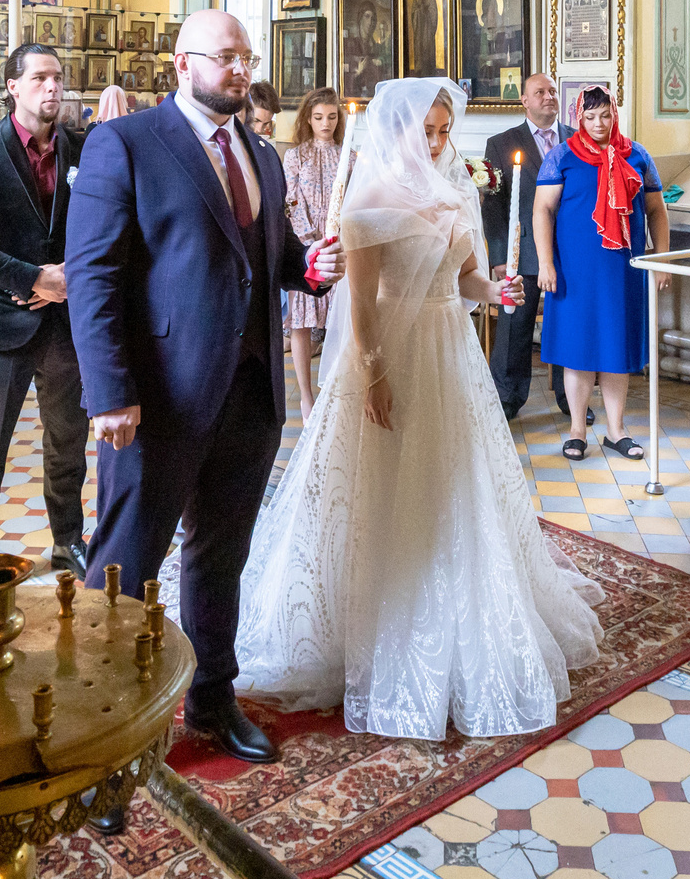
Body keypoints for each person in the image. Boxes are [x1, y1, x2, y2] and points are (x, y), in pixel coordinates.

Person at [236, 79, 600, 738]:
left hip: (449, 353)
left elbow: (464, 280)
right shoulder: (369, 201)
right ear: (396, 129)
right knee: (381, 491)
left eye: (443, 131)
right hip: (386, 359)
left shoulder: (450, 189)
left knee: (459, 491)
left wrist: (498, 288)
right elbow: (365, 305)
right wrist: (373, 375)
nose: (437, 143)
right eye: (425, 131)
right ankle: (363, 621)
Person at [65, 10, 343, 790]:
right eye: (225, 56)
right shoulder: (127, 143)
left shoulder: (261, 152)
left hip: (250, 394)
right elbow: (92, 276)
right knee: (124, 567)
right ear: (181, 61)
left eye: (246, 57)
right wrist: (111, 390)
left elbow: (275, 254)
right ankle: (101, 742)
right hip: (158, 400)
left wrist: (313, 266)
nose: (240, 69)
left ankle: (212, 702)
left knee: (220, 558)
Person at [0, 44, 90, 576]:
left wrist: (67, 280)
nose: (52, 88)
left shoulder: (83, 149)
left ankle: (68, 540)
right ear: (14, 86)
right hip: (3, 324)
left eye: (58, 78)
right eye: (40, 78)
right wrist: (34, 278)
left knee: (68, 442)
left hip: (66, 325)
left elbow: (101, 225)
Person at [533, 89, 669, 462]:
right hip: (573, 271)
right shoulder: (561, 156)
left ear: (614, 114)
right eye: (590, 117)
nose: (598, 124)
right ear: (579, 118)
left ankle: (616, 431)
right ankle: (577, 430)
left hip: (622, 269)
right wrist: (546, 263)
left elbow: (656, 211)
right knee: (577, 351)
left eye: (605, 116)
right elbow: (542, 210)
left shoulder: (637, 155)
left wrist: (660, 258)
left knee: (614, 348)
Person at [480, 73, 567, 419]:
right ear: (525, 101)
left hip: (566, 250)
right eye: (540, 92)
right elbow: (493, 205)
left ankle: (569, 396)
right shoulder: (501, 143)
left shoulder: (575, 140)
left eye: (552, 91)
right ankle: (507, 397)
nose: (548, 97)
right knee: (515, 326)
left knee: (565, 324)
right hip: (522, 249)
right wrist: (501, 256)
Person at [277, 86, 342, 414]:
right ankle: (306, 396)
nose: (325, 123)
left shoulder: (349, 156)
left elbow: (352, 200)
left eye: (331, 117)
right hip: (305, 247)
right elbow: (289, 200)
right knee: (301, 322)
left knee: (337, 320)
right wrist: (308, 239)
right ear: (308, 119)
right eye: (319, 117)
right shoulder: (295, 155)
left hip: (336, 246)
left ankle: (334, 391)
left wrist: (334, 236)